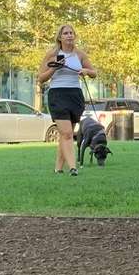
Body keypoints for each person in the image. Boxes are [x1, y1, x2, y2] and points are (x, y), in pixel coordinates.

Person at [38, 24, 97, 176]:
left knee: (66, 135)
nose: (69, 35)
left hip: (75, 95)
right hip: (57, 95)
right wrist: (54, 68)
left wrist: (86, 71)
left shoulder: (80, 54)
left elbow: (94, 73)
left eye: (71, 33)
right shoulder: (52, 54)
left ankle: (58, 169)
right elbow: (41, 78)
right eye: (66, 33)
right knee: (67, 133)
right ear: (60, 37)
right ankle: (73, 167)